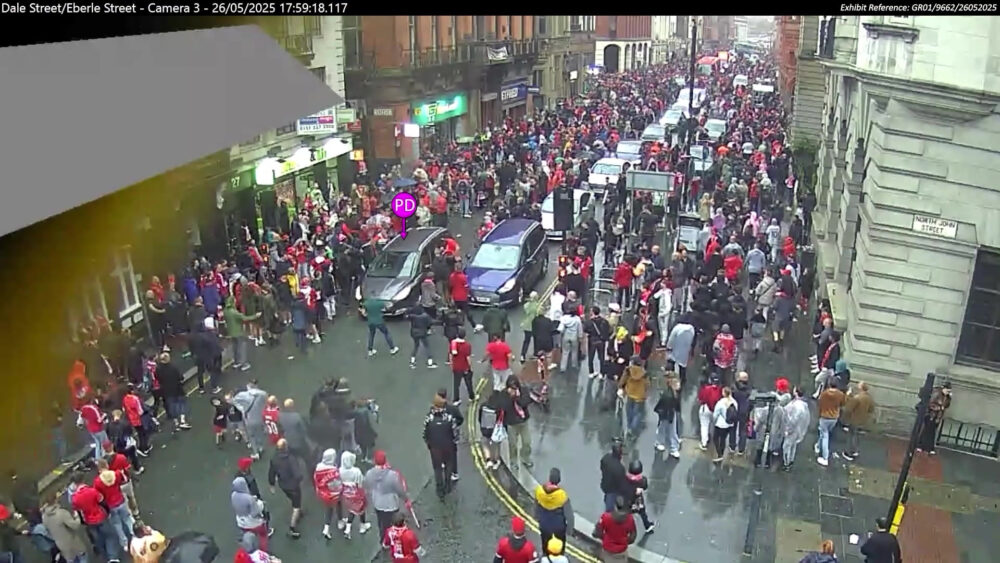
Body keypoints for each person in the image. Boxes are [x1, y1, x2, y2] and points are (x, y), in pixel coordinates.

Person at [70, 471, 122, 562]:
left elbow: (78, 511)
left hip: (89, 521)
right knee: (110, 535)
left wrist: (83, 522)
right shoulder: (92, 491)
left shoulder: (75, 498)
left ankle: (104, 555)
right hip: (100, 517)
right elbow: (102, 502)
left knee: (98, 539)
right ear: (83, 479)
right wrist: (108, 512)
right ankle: (112, 557)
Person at [363, 451, 411, 540]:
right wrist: (406, 499)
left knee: (381, 523)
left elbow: (366, 485)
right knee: (393, 523)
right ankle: (394, 540)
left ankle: (384, 539)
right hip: (391, 503)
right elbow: (399, 489)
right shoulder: (392, 475)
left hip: (377, 503)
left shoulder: (369, 474)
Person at [422, 395, 459, 496]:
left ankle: (439, 489)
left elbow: (425, 433)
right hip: (448, 446)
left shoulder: (429, 418)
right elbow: (455, 432)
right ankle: (448, 486)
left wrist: (429, 443)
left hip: (435, 448)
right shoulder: (449, 418)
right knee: (448, 465)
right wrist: (455, 441)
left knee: (437, 468)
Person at [267, 439, 304, 538]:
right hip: (293, 486)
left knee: (292, 499)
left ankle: (298, 511)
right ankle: (292, 527)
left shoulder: (274, 459)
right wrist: (300, 479)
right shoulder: (290, 459)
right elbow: (297, 474)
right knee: (296, 506)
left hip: (283, 485)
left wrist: (272, 484)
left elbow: (271, 473)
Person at [40, 491, 89, 563]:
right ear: (55, 500)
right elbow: (75, 525)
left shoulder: (44, 517)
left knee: (71, 560)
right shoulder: (61, 513)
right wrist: (77, 517)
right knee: (83, 557)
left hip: (61, 545)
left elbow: (47, 530)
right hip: (72, 542)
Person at [534, 468, 574, 551]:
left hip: (544, 525)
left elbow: (536, 508)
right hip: (558, 528)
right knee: (559, 550)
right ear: (559, 480)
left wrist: (538, 519)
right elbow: (569, 516)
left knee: (545, 548)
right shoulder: (562, 495)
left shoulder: (539, 491)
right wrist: (569, 531)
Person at [501, 376, 533, 469]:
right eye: (511, 387)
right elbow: (504, 407)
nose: (514, 390)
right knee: (513, 444)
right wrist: (510, 397)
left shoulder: (524, 391)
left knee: (527, 442)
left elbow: (525, 403)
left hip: (523, 422)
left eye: (515, 387)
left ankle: (525, 458)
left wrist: (518, 397)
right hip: (511, 423)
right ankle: (513, 461)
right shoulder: (504, 394)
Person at [338, 451, 371, 539]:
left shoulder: (340, 470)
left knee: (352, 510)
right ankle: (362, 526)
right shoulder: (356, 471)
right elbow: (360, 483)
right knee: (361, 510)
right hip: (357, 493)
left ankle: (348, 528)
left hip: (347, 494)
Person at [593, 495, 636, 562]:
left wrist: (605, 538)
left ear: (615, 506)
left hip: (608, 550)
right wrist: (625, 542)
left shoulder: (605, 517)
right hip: (622, 551)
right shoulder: (630, 519)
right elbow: (633, 536)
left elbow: (596, 533)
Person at [841, 382, 875, 461]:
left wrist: (848, 396)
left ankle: (849, 453)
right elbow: (871, 409)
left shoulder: (857, 398)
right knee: (856, 435)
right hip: (862, 420)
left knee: (851, 436)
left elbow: (848, 408)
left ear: (861, 388)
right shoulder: (869, 398)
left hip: (854, 419)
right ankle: (855, 450)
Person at [815, 382, 846, 467]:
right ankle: (818, 446)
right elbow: (843, 404)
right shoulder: (840, 394)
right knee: (825, 433)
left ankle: (825, 457)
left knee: (825, 436)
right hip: (834, 417)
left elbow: (819, 403)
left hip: (824, 416)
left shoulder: (824, 393)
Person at [618, 355, 649, 438]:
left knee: (629, 411)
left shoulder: (628, 370)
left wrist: (620, 387)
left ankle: (629, 427)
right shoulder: (644, 373)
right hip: (639, 395)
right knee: (638, 413)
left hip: (630, 393)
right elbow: (647, 384)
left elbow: (623, 380)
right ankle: (633, 428)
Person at [917, 381, 952, 455]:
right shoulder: (937, 393)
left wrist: (949, 398)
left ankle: (927, 447)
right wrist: (938, 408)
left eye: (949, 391)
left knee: (932, 431)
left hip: (937, 416)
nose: (948, 392)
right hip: (931, 414)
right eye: (947, 390)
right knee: (927, 430)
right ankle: (922, 446)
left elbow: (947, 405)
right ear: (943, 388)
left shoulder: (946, 397)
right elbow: (930, 404)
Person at [653, 376, 682, 456]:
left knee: (664, 429)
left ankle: (661, 443)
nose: (679, 385)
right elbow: (665, 406)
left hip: (669, 414)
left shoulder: (673, 393)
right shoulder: (669, 395)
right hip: (667, 414)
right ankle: (672, 448)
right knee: (670, 431)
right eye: (677, 383)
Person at [478, 390, 505, 471]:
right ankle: (496, 461)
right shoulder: (499, 407)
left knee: (485, 443)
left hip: (484, 427)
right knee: (496, 445)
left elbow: (479, 417)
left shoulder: (483, 405)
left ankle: (488, 459)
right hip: (495, 429)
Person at [665, 314, 696, 385]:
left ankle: (670, 377)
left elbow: (671, 339)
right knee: (682, 365)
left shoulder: (677, 327)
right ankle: (683, 379)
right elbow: (693, 341)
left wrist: (669, 347)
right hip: (685, 350)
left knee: (671, 361)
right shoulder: (692, 328)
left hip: (675, 348)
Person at [599, 440, 628, 513]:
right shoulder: (620, 468)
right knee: (610, 507)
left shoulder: (606, 458)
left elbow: (602, 467)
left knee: (608, 499)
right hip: (613, 490)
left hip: (605, 484)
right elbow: (621, 484)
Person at [406, 305, 438, 369]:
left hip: (414, 333)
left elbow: (406, 315)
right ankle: (430, 363)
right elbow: (430, 323)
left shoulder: (412, 316)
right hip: (423, 333)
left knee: (416, 346)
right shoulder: (425, 316)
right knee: (427, 346)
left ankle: (412, 362)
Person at [449, 327, 475, 405]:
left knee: (456, 384)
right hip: (465, 368)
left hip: (456, 367)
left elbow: (450, 355)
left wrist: (451, 364)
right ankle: (471, 397)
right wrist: (471, 367)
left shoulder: (453, 343)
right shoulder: (467, 345)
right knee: (468, 383)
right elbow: (468, 358)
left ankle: (456, 399)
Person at [712, 387, 738, 463]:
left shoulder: (720, 402)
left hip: (720, 424)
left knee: (715, 438)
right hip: (729, 424)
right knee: (723, 439)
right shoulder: (734, 402)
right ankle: (721, 453)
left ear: (724, 393)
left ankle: (719, 454)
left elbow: (715, 414)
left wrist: (714, 421)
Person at [556, 306, 583, 373]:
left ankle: (563, 367)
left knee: (565, 352)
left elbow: (560, 329)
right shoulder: (577, 319)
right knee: (574, 351)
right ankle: (574, 365)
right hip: (574, 337)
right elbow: (580, 329)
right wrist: (580, 337)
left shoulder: (564, 318)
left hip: (566, 336)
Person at [519, 291, 541, 362]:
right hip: (535, 325)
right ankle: (535, 353)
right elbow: (538, 314)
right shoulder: (538, 306)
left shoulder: (526, 305)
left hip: (527, 325)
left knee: (526, 341)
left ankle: (523, 355)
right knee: (536, 340)